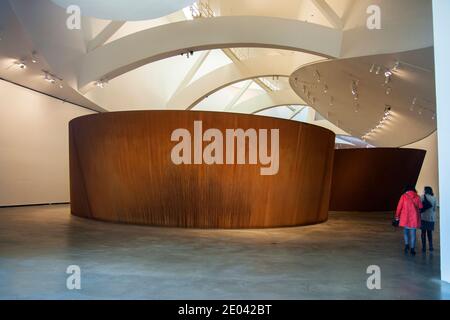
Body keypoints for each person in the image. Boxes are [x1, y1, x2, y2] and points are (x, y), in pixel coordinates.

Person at [395, 185, 423, 255]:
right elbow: (420, 207)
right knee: (413, 234)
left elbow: (399, 207)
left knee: (405, 232)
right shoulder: (417, 196)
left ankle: (407, 245)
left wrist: (397, 216)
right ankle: (412, 249)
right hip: (414, 218)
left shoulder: (403, 196)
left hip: (405, 218)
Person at [420, 186, 437, 252]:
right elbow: (435, 209)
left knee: (423, 233)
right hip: (430, 218)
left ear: (425, 191)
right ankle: (431, 247)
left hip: (423, 217)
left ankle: (424, 247)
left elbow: (419, 207)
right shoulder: (434, 198)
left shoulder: (422, 197)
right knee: (429, 233)